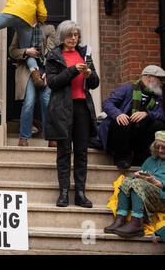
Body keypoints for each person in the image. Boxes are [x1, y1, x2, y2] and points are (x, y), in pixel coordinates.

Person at [45, 20, 100, 208]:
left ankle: (80, 193)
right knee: (64, 152)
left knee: (82, 152)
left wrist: (89, 74)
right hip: (62, 109)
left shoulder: (85, 54)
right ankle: (64, 193)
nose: (73, 39)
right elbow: (52, 82)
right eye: (70, 35)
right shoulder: (53, 56)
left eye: (76, 35)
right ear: (62, 36)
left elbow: (94, 83)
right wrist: (71, 70)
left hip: (82, 108)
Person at [98, 65, 165, 171]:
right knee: (123, 122)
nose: (162, 82)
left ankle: (140, 159)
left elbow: (161, 115)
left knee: (158, 124)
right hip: (121, 131)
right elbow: (107, 103)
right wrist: (118, 114)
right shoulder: (127, 88)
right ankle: (121, 159)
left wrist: (147, 114)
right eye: (160, 79)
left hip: (139, 132)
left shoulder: (157, 96)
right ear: (149, 77)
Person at [104, 131, 165, 238]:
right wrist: (137, 175)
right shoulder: (151, 160)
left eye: (163, 147)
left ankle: (137, 223)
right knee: (127, 180)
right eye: (157, 147)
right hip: (146, 195)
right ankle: (120, 218)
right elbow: (138, 176)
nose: (160, 150)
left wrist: (155, 182)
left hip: (162, 198)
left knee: (137, 183)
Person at [9, 23, 59, 147]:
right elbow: (12, 51)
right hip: (26, 70)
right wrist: (26, 51)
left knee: (46, 101)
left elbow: (54, 51)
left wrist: (49, 71)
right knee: (29, 101)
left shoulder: (49, 28)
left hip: (46, 68)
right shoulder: (20, 28)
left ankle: (51, 136)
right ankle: (24, 137)